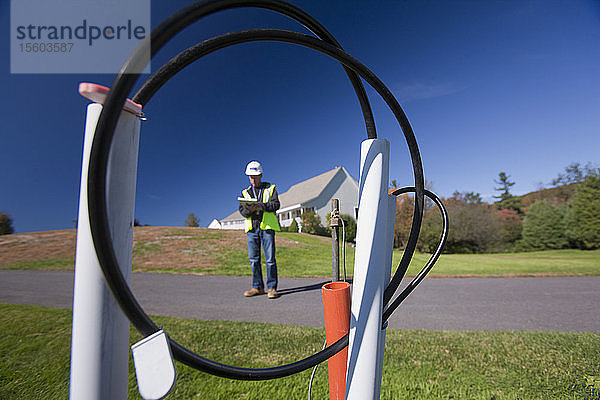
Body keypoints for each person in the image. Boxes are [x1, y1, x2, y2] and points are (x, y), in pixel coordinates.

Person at [239, 161, 281, 299]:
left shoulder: (270, 188)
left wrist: (262, 206)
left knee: (270, 260)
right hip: (252, 230)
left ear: (261, 175)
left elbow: (276, 204)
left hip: (266, 229)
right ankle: (257, 287)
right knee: (254, 260)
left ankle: (272, 288)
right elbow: (242, 211)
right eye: (250, 177)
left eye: (255, 176)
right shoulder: (245, 192)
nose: (253, 179)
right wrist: (249, 210)